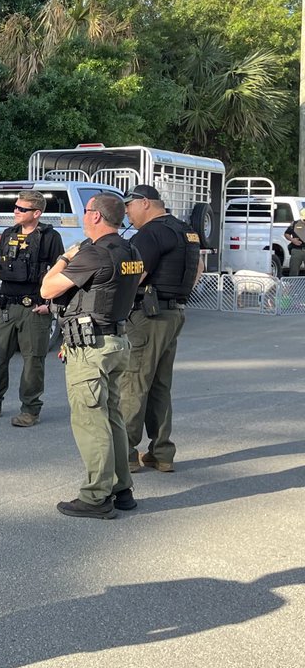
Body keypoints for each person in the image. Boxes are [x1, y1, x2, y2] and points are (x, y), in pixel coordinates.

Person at [40, 193, 144, 520]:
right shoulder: (130, 250)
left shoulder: (94, 253)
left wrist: (65, 257)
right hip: (114, 341)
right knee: (111, 417)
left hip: (92, 349)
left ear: (96, 216)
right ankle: (121, 489)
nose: (84, 216)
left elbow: (47, 288)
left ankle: (96, 497)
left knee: (91, 422)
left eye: (86, 211)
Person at [119, 185, 202, 474]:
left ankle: (126, 453)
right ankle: (162, 452)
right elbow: (198, 267)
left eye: (129, 206)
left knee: (133, 382)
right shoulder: (186, 230)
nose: (127, 213)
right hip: (173, 313)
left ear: (144, 203)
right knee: (159, 385)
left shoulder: (150, 233)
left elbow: (135, 275)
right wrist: (176, 296)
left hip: (147, 317)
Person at [0, 189, 63, 428]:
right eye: (16, 207)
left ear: (37, 213)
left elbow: (60, 272)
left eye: (22, 208)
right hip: (5, 307)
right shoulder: (8, 234)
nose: (16, 211)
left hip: (34, 309)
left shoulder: (50, 237)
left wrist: (50, 305)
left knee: (33, 361)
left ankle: (30, 410)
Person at [284, 207, 305, 276]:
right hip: (297, 250)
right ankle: (293, 283)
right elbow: (286, 233)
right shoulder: (295, 224)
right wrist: (292, 240)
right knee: (293, 271)